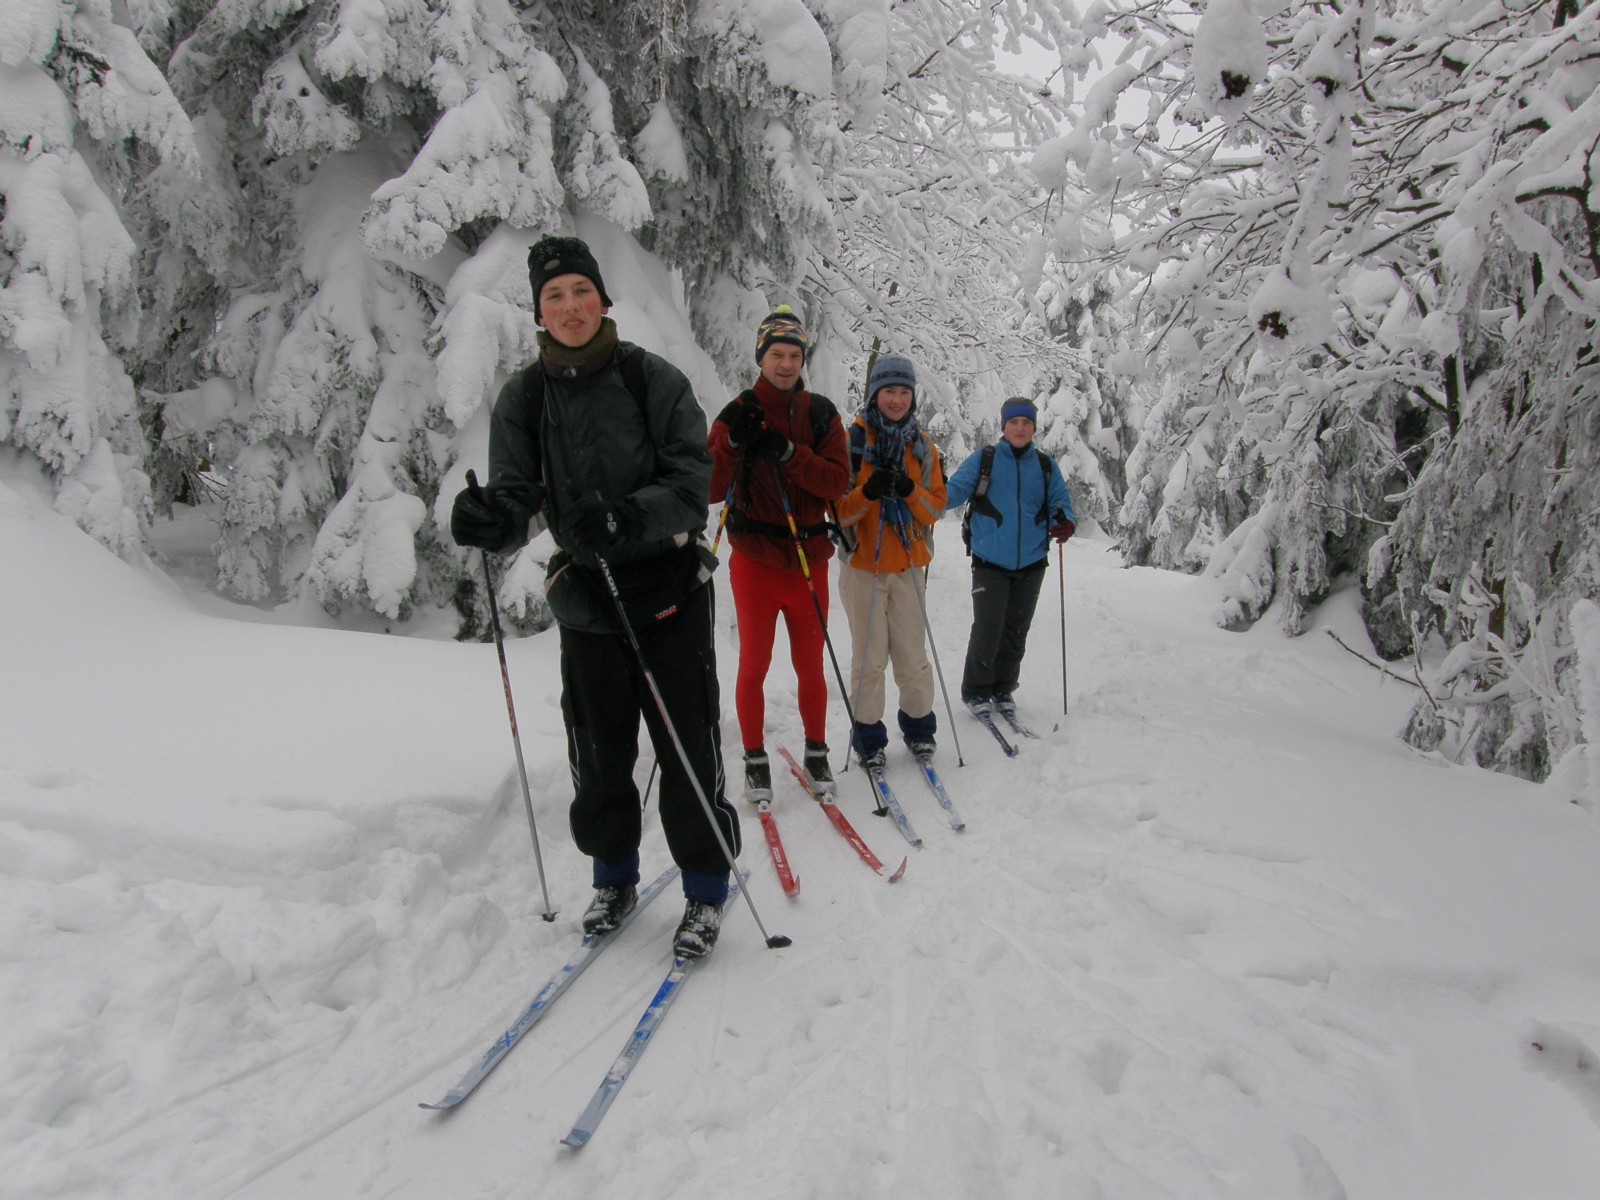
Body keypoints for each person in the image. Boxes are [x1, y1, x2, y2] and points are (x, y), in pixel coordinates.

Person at [448, 234, 740, 959]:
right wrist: (493, 521)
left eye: (580, 291)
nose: (570, 306)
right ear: (539, 312)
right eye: (554, 296)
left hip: (668, 589)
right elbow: (518, 495)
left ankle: (705, 887)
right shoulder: (523, 397)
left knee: (686, 749)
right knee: (599, 755)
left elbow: (688, 487)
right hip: (587, 603)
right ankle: (613, 878)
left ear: (603, 299)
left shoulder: (652, 380)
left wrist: (624, 516)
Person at [834, 354, 947, 767]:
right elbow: (836, 512)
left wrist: (907, 488)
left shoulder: (922, 445)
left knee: (912, 656)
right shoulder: (852, 442)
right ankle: (868, 738)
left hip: (908, 566)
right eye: (889, 391)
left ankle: (919, 730)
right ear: (874, 394)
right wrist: (868, 493)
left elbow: (935, 509)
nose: (897, 400)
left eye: (904, 392)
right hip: (862, 567)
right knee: (870, 659)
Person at [943, 396, 1076, 721]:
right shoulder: (985, 459)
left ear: (1033, 427)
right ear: (1003, 426)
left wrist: (1065, 521)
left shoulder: (1045, 465)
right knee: (988, 628)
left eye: (1026, 423)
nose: (1020, 428)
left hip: (1032, 560)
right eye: (1014, 422)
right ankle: (976, 691)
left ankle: (1003, 688)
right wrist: (927, 496)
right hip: (990, 559)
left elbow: (1060, 500)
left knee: (1017, 629)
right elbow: (954, 491)